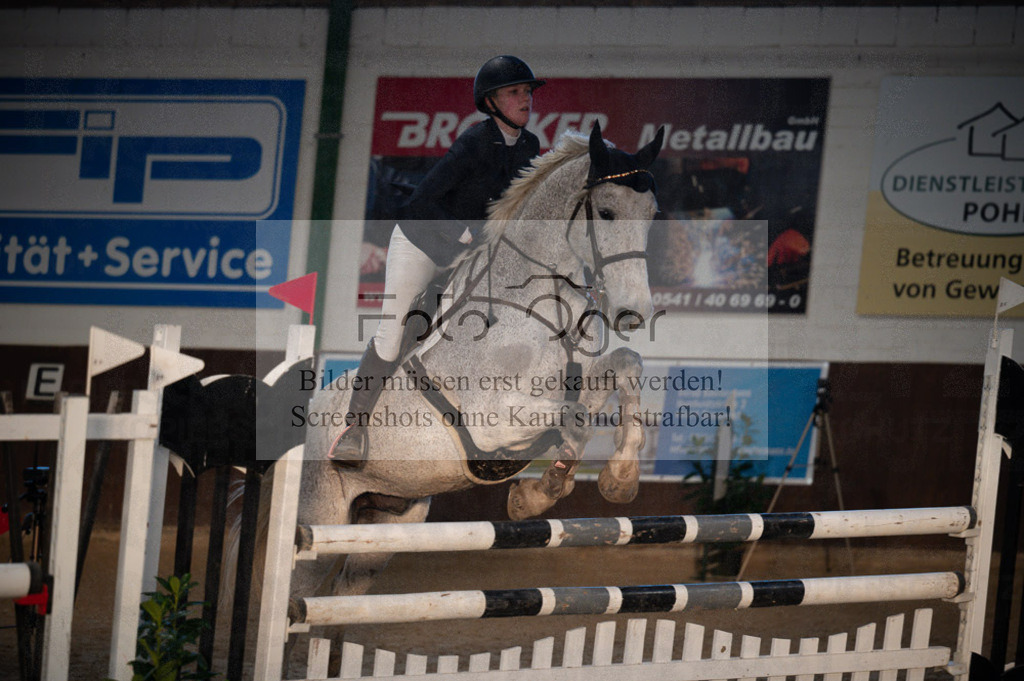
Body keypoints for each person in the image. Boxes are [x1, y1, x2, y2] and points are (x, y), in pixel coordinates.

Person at [330, 55, 545, 464]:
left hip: (472, 255)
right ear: (492, 102)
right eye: (515, 92)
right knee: (393, 334)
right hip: (423, 243)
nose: (525, 99)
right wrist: (463, 233)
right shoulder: (472, 142)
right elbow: (420, 201)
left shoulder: (531, 147)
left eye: (528, 92)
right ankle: (354, 429)